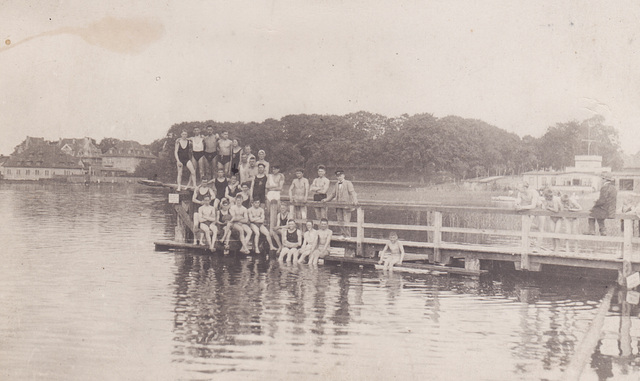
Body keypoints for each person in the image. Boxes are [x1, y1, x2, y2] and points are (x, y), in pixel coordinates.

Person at [323, 169, 358, 237]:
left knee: (346, 221)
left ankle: (348, 236)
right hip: (338, 206)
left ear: (343, 176)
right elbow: (333, 194)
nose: (339, 177)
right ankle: (342, 234)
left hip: (346, 206)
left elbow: (352, 192)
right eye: (338, 176)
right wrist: (326, 200)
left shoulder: (348, 183)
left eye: (340, 176)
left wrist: (355, 200)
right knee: (340, 220)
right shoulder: (336, 184)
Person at [192, 177, 218, 243]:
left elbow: (213, 196)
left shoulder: (209, 189)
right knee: (195, 224)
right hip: (197, 208)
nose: (204, 183)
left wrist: (208, 200)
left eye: (206, 182)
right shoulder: (197, 189)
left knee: (204, 224)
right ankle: (195, 240)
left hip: (205, 209)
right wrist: (200, 202)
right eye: (203, 182)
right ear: (201, 182)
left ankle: (201, 241)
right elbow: (193, 199)